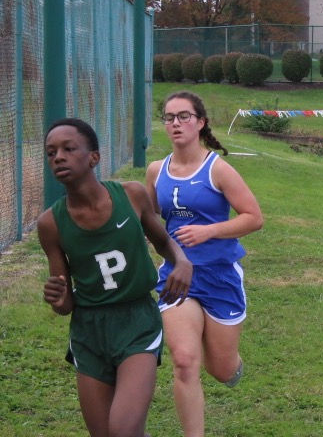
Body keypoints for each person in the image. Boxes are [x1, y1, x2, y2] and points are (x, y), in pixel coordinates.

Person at [38, 118, 193, 437]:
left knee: (123, 429)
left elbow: (164, 242)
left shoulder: (132, 196)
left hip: (136, 321)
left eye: (69, 149)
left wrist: (182, 262)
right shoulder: (50, 224)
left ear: (93, 157)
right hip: (89, 331)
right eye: (51, 152)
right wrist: (57, 297)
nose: (58, 157)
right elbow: (65, 304)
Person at [146, 91, 264, 436]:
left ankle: (232, 365)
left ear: (200, 122)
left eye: (184, 116)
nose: (176, 123)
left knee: (221, 369)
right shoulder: (156, 171)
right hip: (177, 277)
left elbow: (254, 218)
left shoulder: (219, 169)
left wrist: (209, 231)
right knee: (183, 360)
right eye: (170, 117)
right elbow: (152, 218)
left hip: (220, 277)